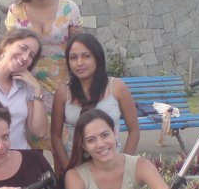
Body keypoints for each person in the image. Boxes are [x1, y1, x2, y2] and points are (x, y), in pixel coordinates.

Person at [5, 0, 82, 150]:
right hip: (27, 87)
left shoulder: (68, 8)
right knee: (31, 146)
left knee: (64, 147)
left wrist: (80, 86)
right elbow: (10, 51)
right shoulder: (16, 11)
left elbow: (78, 50)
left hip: (63, 88)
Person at [51, 33, 140, 176]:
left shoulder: (116, 87)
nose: (79, 63)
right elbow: (55, 137)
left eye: (86, 56)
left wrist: (124, 166)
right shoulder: (63, 92)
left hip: (112, 166)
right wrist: (69, 170)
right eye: (73, 57)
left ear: (97, 58)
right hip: (77, 167)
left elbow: (134, 130)